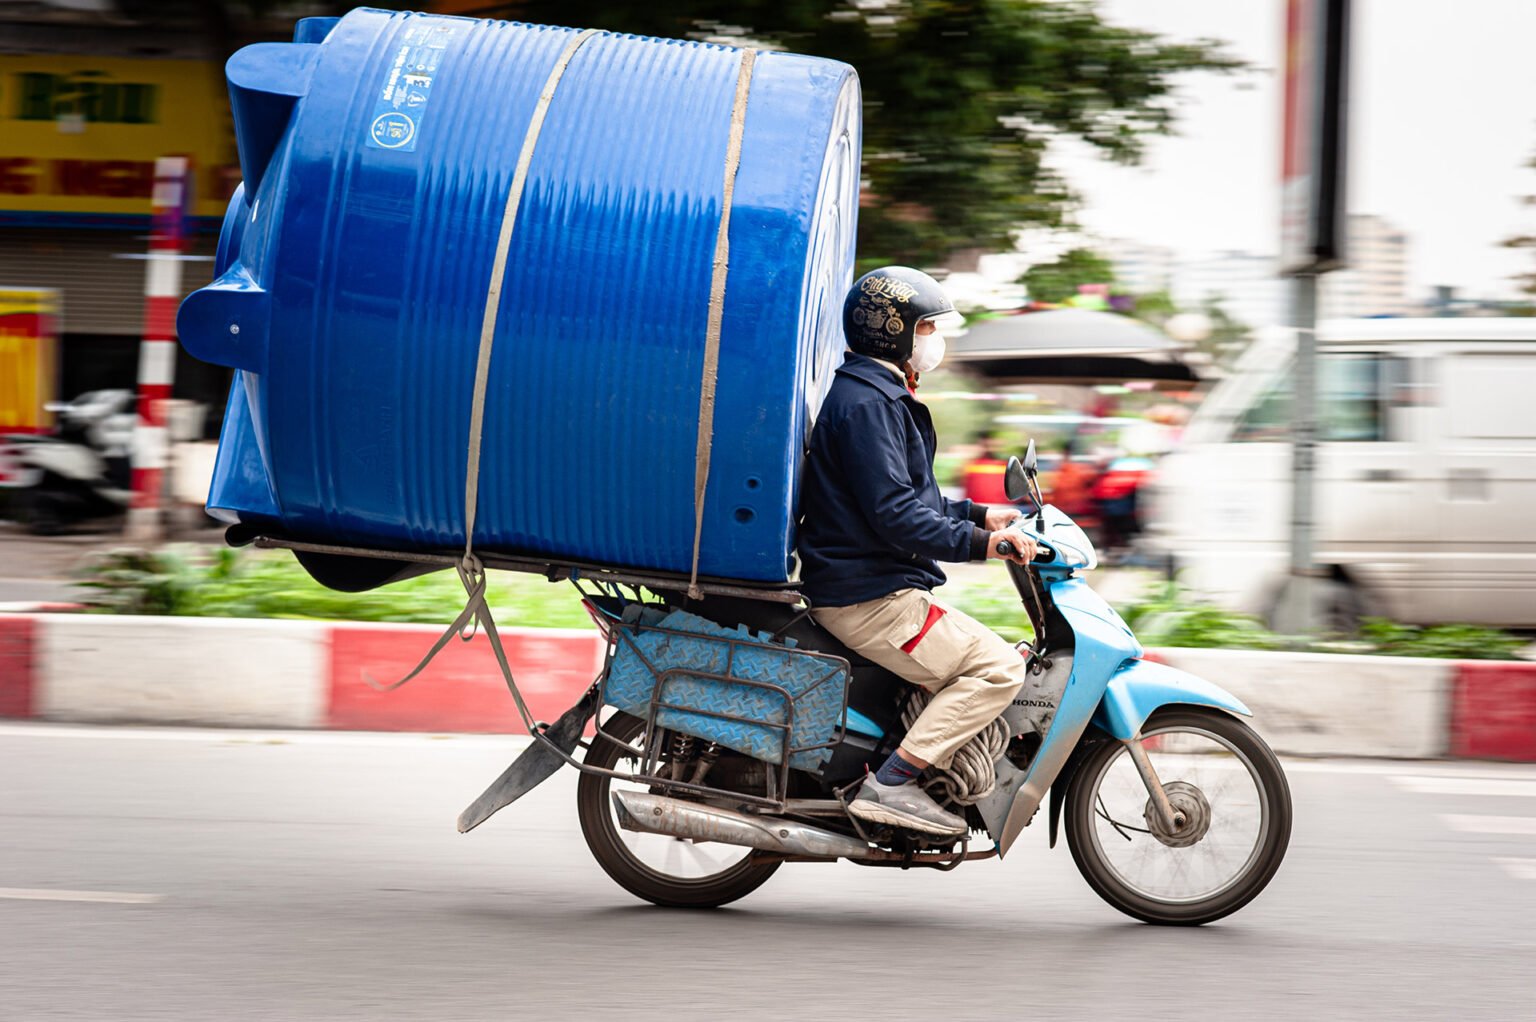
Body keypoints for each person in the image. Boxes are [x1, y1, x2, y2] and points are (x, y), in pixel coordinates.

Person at [797, 266, 1038, 838]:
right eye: (927, 326)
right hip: (870, 596)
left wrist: (982, 515)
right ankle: (892, 785)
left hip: (875, 583)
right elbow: (896, 517)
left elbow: (911, 498)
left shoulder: (876, 394)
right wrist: (987, 544)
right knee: (998, 667)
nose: (936, 338)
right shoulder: (869, 406)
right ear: (893, 331)